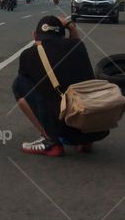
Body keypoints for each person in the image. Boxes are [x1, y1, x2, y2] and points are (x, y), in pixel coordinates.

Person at [12, 15, 109, 156]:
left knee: (20, 83)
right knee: (77, 84)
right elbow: (75, 40)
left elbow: (30, 78)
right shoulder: (78, 46)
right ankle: (85, 141)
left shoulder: (28, 55)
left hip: (65, 130)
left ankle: (51, 141)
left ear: (34, 35)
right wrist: (70, 26)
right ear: (63, 35)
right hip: (95, 127)